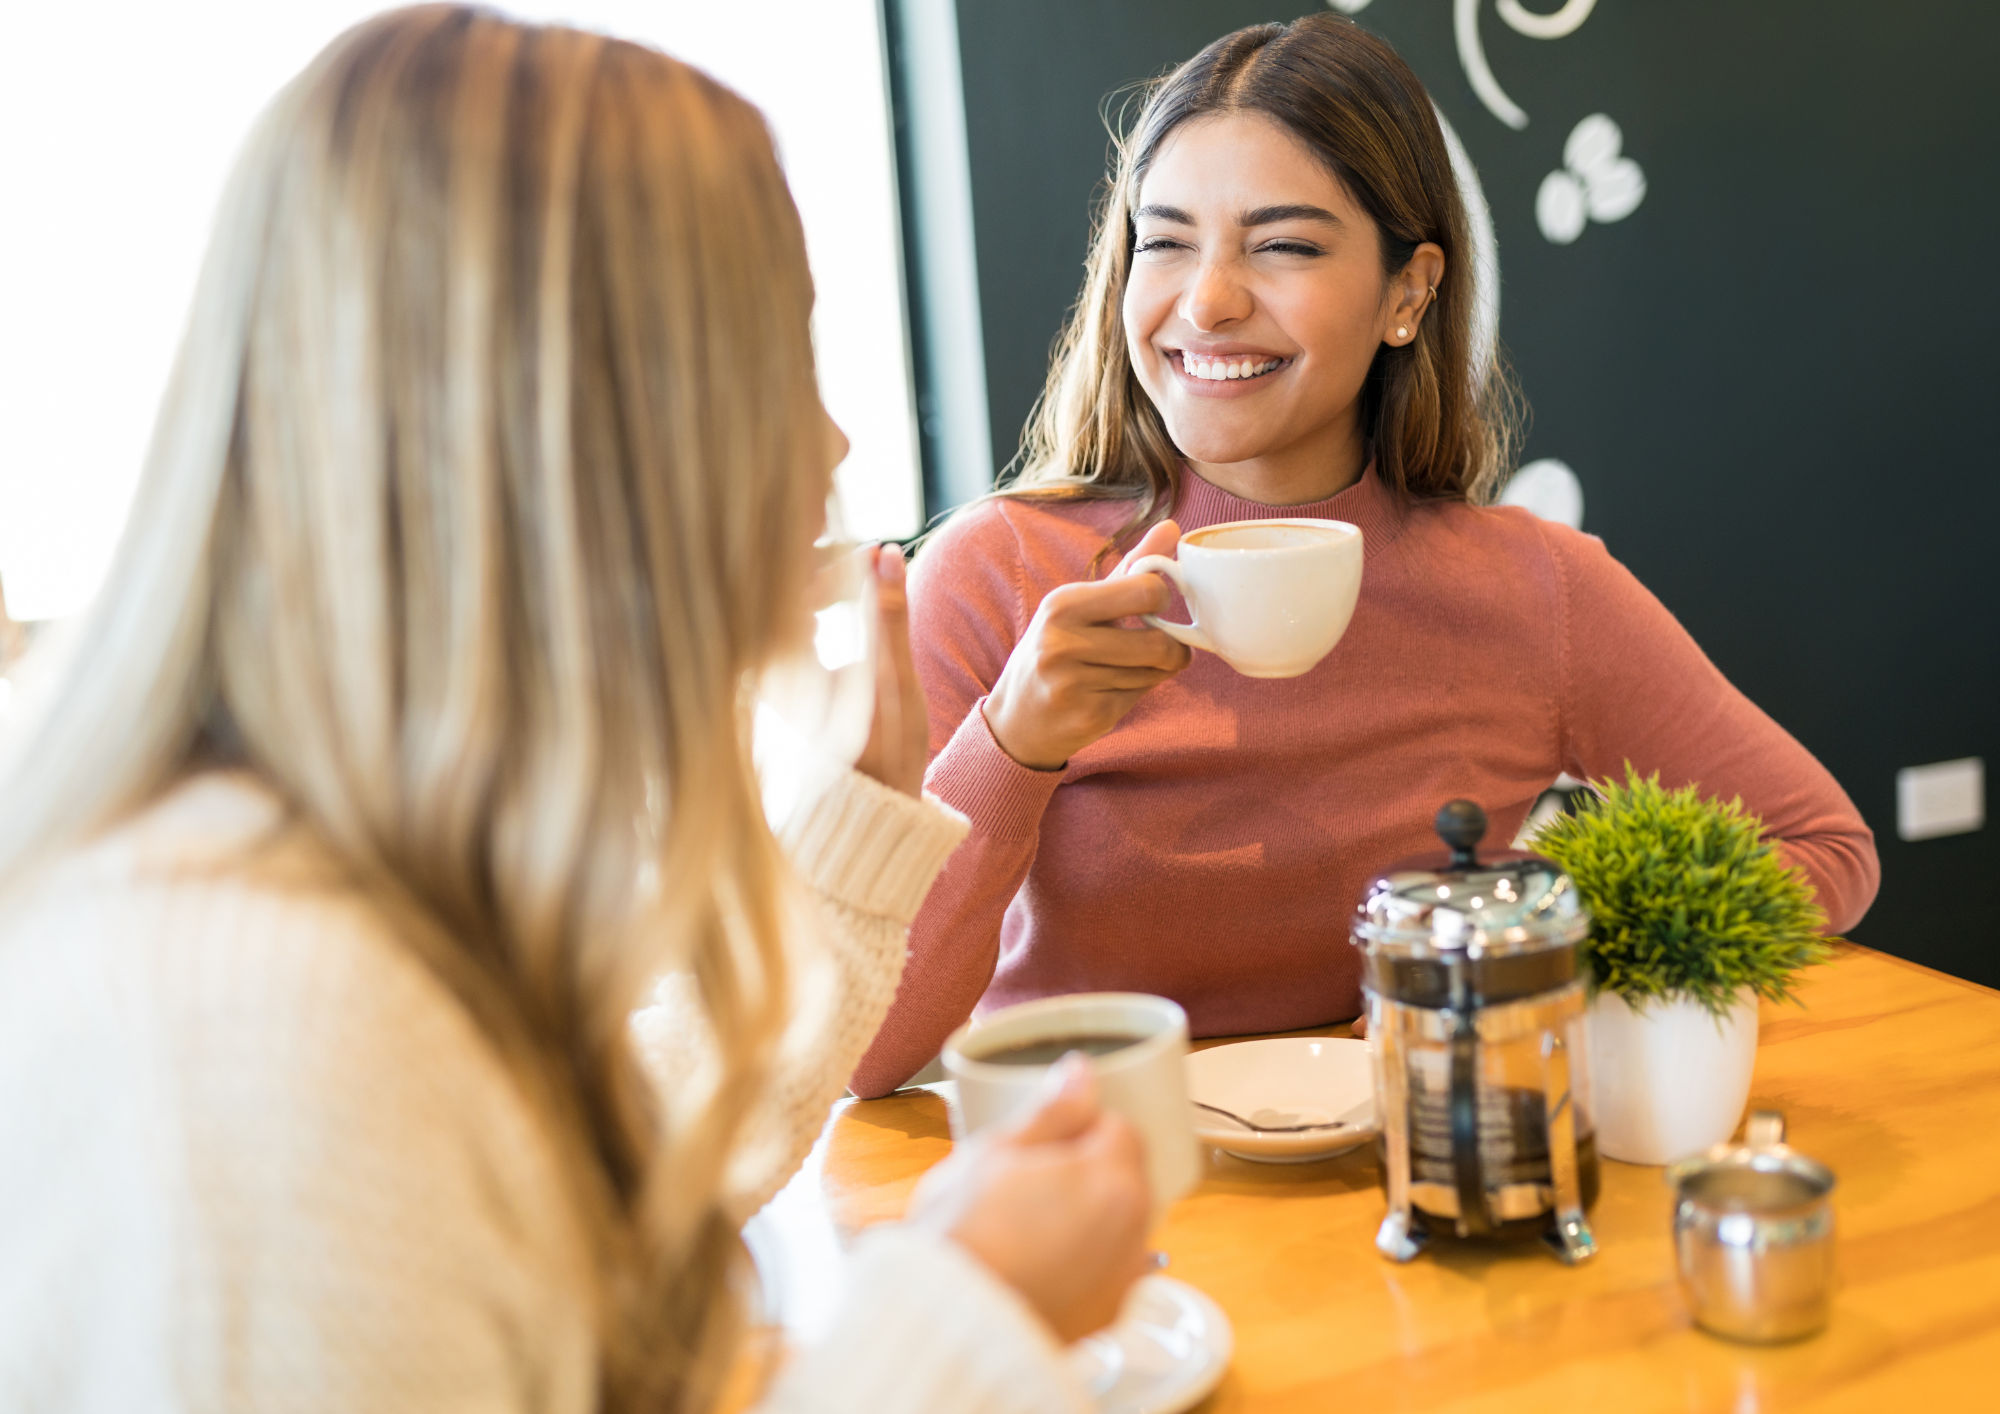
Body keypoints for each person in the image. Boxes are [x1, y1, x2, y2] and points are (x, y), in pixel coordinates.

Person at [0, 8, 1148, 1412]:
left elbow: (598, 1168)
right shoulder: (254, 1029)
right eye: (777, 360)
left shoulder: (354, 869)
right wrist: (959, 1316)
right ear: (586, 436)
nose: (834, 442)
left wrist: (847, 848)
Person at [851, 14, 1880, 1096]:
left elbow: (1817, 847)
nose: (1206, 300)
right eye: (1163, 241)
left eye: (1283, 245)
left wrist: (1516, 947)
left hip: (1408, 1196)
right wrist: (1013, 745)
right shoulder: (992, 576)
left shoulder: (1532, 589)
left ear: (1407, 292)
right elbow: (866, 1049)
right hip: (1091, 1209)